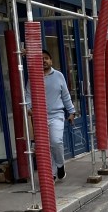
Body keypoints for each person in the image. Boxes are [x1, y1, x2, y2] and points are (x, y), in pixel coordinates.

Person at [25, 48, 75, 181]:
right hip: (39, 117)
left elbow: (65, 95)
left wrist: (71, 112)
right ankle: (51, 174)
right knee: (45, 146)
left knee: (56, 141)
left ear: (51, 61)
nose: (43, 61)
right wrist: (28, 108)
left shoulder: (59, 76)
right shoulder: (33, 77)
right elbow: (28, 95)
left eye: (46, 58)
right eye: (40, 59)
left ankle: (60, 165)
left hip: (56, 115)